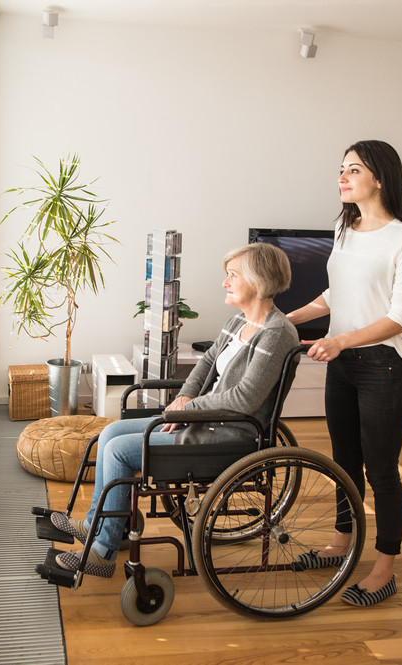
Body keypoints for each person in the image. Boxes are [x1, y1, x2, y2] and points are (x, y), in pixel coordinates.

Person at [50, 242, 301, 577]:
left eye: (232, 275)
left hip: (228, 434)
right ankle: (100, 524)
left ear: (258, 280)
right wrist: (182, 400)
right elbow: (208, 362)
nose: (225, 282)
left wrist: (190, 408)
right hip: (200, 419)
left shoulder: (276, 334)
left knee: (122, 451)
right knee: (109, 432)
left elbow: (244, 398)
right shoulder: (237, 322)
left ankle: (102, 550)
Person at [286, 140, 402, 607]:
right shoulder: (344, 228)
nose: (343, 177)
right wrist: (287, 319)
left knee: (381, 471)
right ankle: (340, 545)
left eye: (353, 169)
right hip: (343, 365)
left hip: (383, 368)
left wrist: (341, 340)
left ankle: (384, 570)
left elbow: (400, 318)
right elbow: (336, 293)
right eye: (341, 169)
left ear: (380, 178)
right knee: (344, 465)